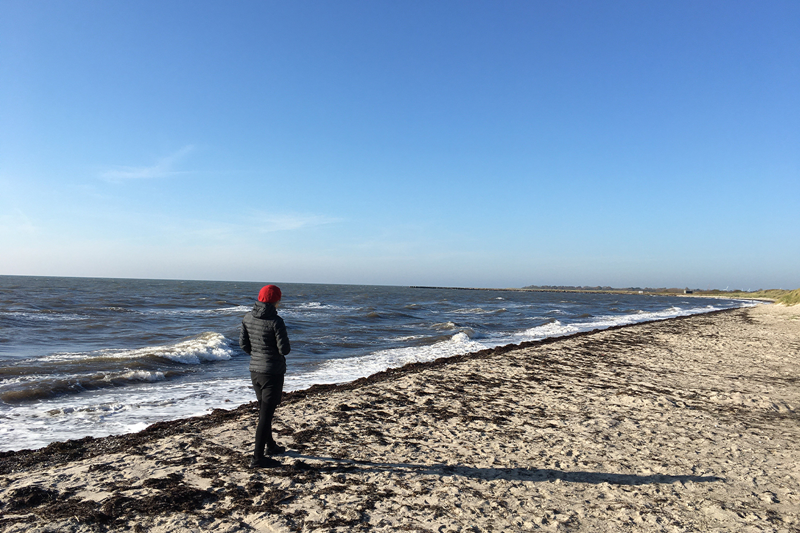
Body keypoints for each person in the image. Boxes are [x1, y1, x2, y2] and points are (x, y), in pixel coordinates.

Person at [239, 284, 290, 468]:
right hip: (273, 372)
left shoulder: (247, 317)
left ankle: (271, 446)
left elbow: (243, 345)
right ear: (276, 300)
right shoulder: (276, 321)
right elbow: (285, 349)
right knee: (265, 416)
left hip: (255, 371)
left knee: (264, 411)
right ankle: (257, 458)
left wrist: (258, 354)